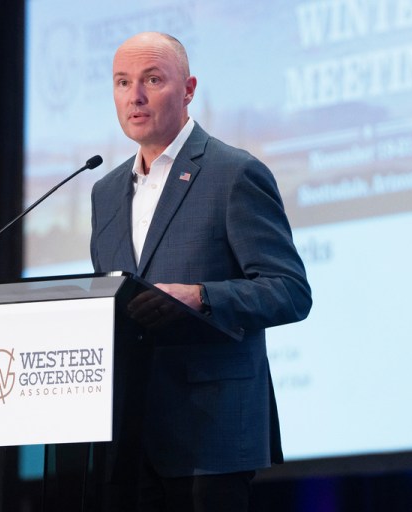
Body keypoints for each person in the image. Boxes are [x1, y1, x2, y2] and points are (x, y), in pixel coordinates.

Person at [89, 31, 312, 512]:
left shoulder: (233, 173)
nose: (136, 96)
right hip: (127, 440)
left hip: (209, 438)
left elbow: (290, 291)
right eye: (123, 83)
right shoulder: (104, 192)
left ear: (188, 90)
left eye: (152, 79)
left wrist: (202, 296)